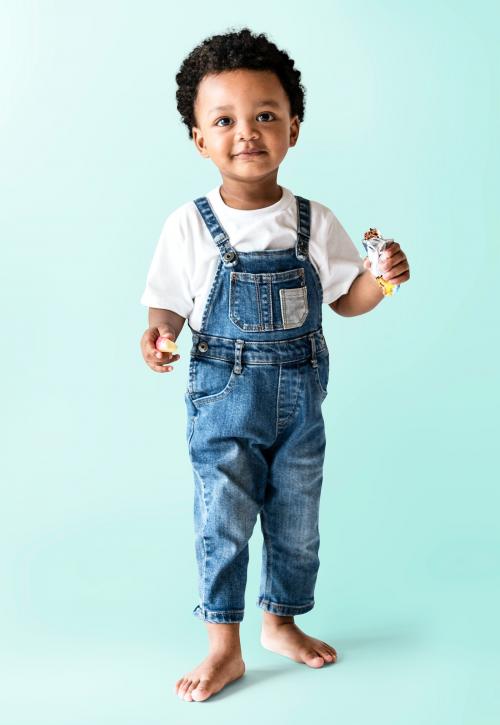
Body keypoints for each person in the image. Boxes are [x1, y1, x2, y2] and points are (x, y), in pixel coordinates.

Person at [139, 27, 410, 703]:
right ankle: (223, 646)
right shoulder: (189, 225)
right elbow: (166, 305)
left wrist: (383, 279)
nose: (247, 132)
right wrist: (158, 335)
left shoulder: (315, 221)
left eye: (265, 116)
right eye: (224, 120)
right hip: (221, 397)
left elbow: (347, 299)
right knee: (223, 518)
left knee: (296, 517)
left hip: (299, 405)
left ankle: (280, 621)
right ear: (199, 138)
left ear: (294, 125)